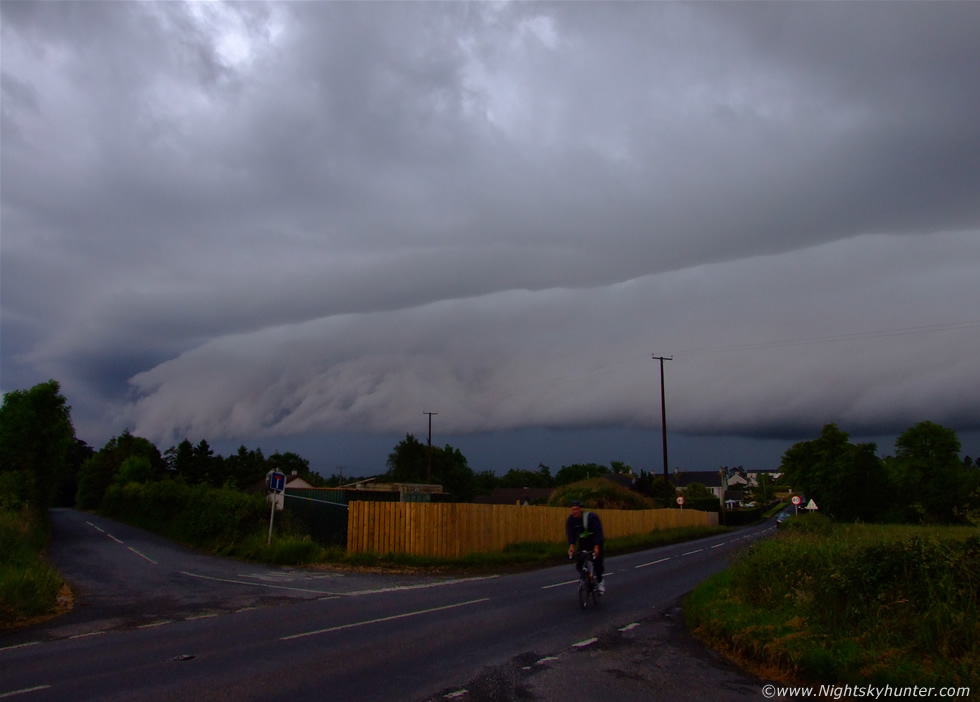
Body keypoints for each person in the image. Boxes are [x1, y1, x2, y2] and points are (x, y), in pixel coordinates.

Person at [566, 499, 605, 594]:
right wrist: (571, 546)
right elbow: (571, 534)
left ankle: (600, 581)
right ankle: (586, 577)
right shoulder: (571, 520)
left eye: (576, 509)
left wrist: (597, 546)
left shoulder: (591, 517)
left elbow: (598, 532)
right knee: (579, 564)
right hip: (583, 543)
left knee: (597, 563)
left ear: (581, 509)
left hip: (594, 541)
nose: (574, 512)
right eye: (572, 510)